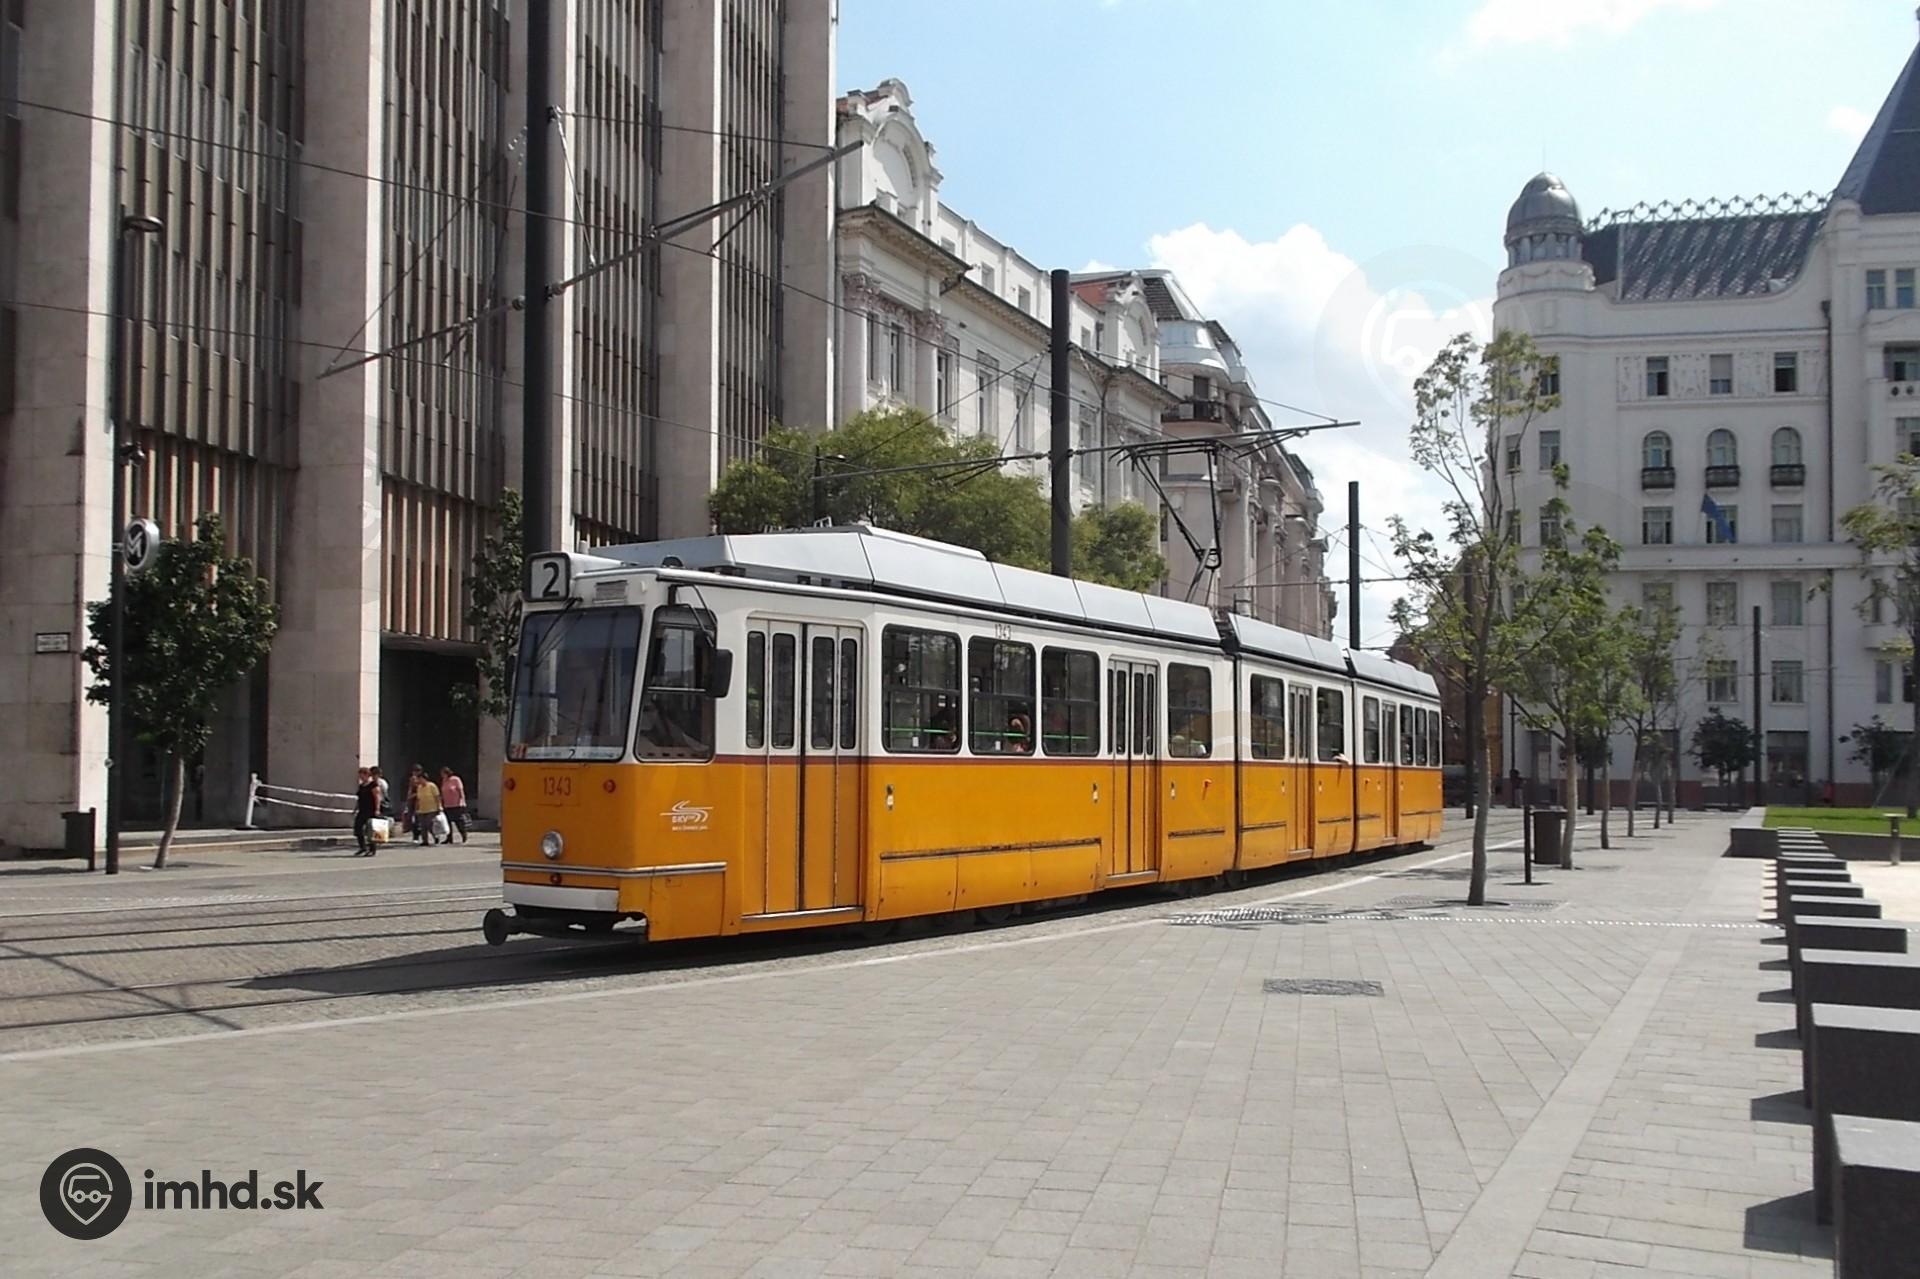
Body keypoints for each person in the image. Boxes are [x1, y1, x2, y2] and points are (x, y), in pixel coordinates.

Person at [409, 764, 444, 845]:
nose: (419, 780)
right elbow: (418, 799)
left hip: (432, 809)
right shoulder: (419, 787)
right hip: (422, 809)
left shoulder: (432, 786)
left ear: (424, 779)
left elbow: (437, 797)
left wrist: (439, 806)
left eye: (420, 779)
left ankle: (436, 836)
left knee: (429, 825)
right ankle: (425, 841)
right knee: (423, 826)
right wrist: (417, 808)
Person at [352, 767, 378, 856]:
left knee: (370, 830)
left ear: (367, 775)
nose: (360, 777)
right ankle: (362, 847)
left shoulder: (373, 785)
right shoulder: (361, 786)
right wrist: (355, 809)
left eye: (362, 775)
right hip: (362, 810)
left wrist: (377, 809)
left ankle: (372, 849)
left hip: (370, 810)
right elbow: (359, 799)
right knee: (358, 828)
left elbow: (377, 797)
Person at [439, 767, 469, 843]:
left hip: (456, 804)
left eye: (443, 773)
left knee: (458, 821)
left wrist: (462, 801)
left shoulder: (455, 779)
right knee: (447, 822)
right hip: (447, 804)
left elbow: (460, 790)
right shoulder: (444, 781)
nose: (442, 775)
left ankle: (463, 834)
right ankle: (449, 838)